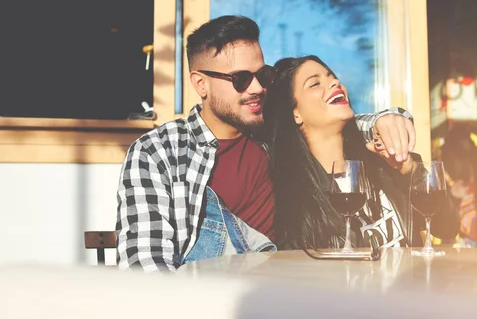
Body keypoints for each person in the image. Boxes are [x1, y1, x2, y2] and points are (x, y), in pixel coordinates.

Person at [116, 16, 417, 272]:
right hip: (205, 304)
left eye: (263, 75)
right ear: (200, 84)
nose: (258, 88)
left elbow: (329, 119)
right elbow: (146, 267)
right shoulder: (159, 152)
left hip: (285, 298)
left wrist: (385, 120)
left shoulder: (268, 134)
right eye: (241, 79)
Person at [267, 56, 459, 250]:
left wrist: (409, 169)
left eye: (332, 77)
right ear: (295, 114)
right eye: (315, 83)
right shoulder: (297, 201)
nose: (335, 83)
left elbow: (448, 227)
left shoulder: (382, 164)